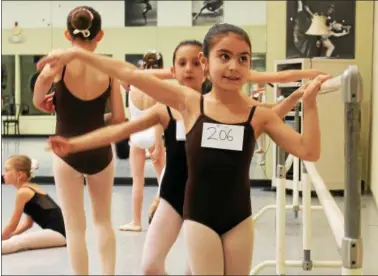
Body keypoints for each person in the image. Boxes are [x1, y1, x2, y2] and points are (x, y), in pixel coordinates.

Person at [37, 23, 329, 274]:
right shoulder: (188, 104)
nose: (233, 66)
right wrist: (77, 54)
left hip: (239, 216)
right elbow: (131, 76)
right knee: (154, 265)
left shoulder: (258, 114)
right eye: (224, 56)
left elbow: (308, 151)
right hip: (198, 214)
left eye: (243, 59)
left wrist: (311, 104)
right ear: (207, 61)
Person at [33, 6, 125, 275]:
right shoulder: (109, 69)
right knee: (103, 221)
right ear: (100, 35)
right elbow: (119, 117)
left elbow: (38, 98)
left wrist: (48, 103)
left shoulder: (58, 65)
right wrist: (96, 122)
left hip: (65, 153)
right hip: (99, 151)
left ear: (66, 34)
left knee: (74, 227)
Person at [119, 50, 166, 232]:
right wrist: (158, 143)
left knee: (137, 181)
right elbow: (158, 118)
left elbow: (122, 78)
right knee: (164, 179)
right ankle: (162, 214)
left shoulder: (132, 86)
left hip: (136, 136)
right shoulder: (158, 87)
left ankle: (136, 222)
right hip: (153, 135)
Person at [2, 155, 66, 255]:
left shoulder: (23, 192)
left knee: (17, 242)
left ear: (20, 175)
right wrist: (11, 235)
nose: (3, 174)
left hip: (58, 234)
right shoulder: (31, 187)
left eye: (7, 170)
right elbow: (28, 224)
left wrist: (5, 236)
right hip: (59, 233)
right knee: (15, 239)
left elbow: (11, 226)